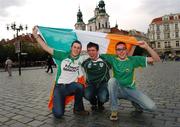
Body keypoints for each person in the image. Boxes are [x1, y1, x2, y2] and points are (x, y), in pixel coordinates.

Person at [32, 26, 89, 118]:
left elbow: (93, 52)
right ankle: (59, 101)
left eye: (78, 48)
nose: (76, 49)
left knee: (80, 87)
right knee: (58, 114)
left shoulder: (80, 59)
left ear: (80, 50)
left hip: (71, 86)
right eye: (74, 47)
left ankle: (78, 109)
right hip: (59, 87)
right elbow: (46, 48)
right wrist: (36, 36)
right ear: (71, 48)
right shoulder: (62, 55)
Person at [101, 41, 160, 121]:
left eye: (123, 49)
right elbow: (95, 53)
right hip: (117, 90)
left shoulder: (133, 60)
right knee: (112, 81)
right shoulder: (112, 58)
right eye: (118, 49)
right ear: (116, 51)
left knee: (152, 107)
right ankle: (114, 110)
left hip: (130, 90)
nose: (121, 51)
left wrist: (147, 47)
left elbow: (156, 59)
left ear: (126, 50)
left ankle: (134, 101)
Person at [82, 42, 111, 111]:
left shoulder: (105, 60)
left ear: (97, 51)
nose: (91, 52)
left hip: (103, 84)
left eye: (93, 50)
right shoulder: (85, 62)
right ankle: (94, 103)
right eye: (89, 50)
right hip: (91, 84)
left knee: (103, 97)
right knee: (86, 94)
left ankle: (100, 102)